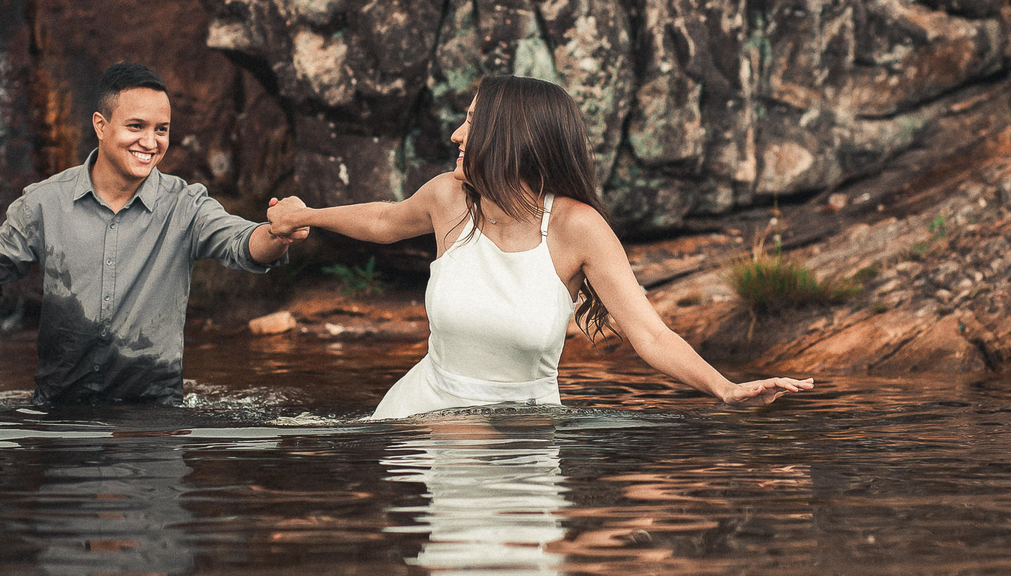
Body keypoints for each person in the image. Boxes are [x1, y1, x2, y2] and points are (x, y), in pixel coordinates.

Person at [267, 75, 813, 419]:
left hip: (521, 436)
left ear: (512, 138)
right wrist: (304, 214)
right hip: (419, 420)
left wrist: (724, 389)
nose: (457, 135)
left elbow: (649, 332)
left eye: (473, 122)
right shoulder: (449, 198)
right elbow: (385, 219)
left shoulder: (578, 228)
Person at [0, 63, 306, 405]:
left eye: (162, 129)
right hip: (58, 412)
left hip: (153, 418)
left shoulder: (186, 205)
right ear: (101, 125)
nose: (151, 142)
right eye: (136, 126)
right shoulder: (44, 203)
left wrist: (277, 232)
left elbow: (244, 244)